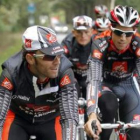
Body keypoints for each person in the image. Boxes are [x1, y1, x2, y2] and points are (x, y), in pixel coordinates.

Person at [0, 25, 79, 140]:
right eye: (50, 56)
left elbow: (70, 117)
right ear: (30, 59)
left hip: (51, 118)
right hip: (18, 119)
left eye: (58, 54)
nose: (57, 61)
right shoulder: (11, 73)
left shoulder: (65, 71)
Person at [84, 5, 140, 140]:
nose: (123, 38)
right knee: (109, 107)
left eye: (128, 34)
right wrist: (91, 113)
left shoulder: (137, 43)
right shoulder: (100, 42)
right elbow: (94, 79)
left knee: (136, 132)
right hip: (105, 83)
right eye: (119, 32)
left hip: (128, 84)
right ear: (111, 28)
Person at [61, 15, 94, 99]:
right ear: (73, 32)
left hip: (92, 78)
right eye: (79, 32)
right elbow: (60, 63)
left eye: (86, 32)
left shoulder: (97, 43)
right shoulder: (67, 43)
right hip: (73, 78)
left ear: (92, 31)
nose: (83, 36)